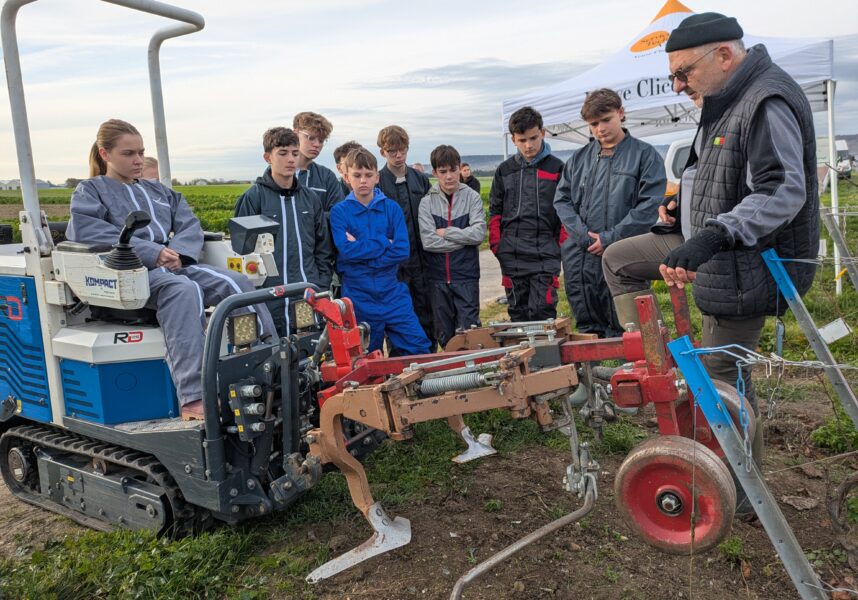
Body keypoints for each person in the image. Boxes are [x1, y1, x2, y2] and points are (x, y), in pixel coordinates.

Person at [601, 13, 819, 515]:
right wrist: (681, 208)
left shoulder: (766, 99)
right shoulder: (722, 102)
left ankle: (746, 497)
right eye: (674, 75)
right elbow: (708, 171)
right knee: (619, 260)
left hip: (747, 265)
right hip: (705, 245)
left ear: (723, 55)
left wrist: (715, 234)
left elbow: (782, 189)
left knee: (723, 382)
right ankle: (648, 359)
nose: (677, 85)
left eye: (682, 73)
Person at [67, 119, 276, 420]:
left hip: (174, 266)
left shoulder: (158, 191)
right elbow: (89, 231)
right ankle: (194, 397)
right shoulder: (91, 191)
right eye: (128, 153)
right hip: (127, 274)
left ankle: (267, 365)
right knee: (183, 290)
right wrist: (153, 252)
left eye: (141, 152)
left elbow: (189, 224)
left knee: (236, 283)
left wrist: (179, 253)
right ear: (105, 154)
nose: (138, 160)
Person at [554, 88, 665, 338]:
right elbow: (561, 200)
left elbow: (648, 206)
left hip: (622, 250)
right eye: (594, 123)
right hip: (581, 253)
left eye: (606, 119)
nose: (600, 128)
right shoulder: (578, 159)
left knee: (630, 322)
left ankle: (631, 366)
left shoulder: (644, 156)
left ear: (621, 113)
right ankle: (593, 372)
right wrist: (583, 237)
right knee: (587, 323)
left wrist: (610, 238)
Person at [330, 147, 431, 355]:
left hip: (392, 291)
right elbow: (346, 252)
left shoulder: (391, 208)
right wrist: (384, 241)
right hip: (358, 296)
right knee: (363, 358)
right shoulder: (339, 212)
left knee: (418, 349)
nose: (363, 181)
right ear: (347, 177)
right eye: (357, 176)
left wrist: (363, 252)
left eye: (368, 175)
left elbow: (402, 250)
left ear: (377, 177)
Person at [234, 127, 334, 336]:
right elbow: (243, 256)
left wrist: (319, 284)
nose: (290, 159)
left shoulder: (310, 199)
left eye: (295, 153)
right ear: (267, 157)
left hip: (306, 295)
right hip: (269, 300)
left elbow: (323, 248)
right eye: (282, 153)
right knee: (273, 357)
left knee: (308, 355)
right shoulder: (253, 198)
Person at [489, 106, 565, 321]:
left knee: (543, 311)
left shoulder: (557, 168)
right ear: (513, 140)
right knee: (518, 315)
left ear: (543, 132)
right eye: (522, 140)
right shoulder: (504, 170)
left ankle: (546, 356)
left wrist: (560, 247)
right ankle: (520, 356)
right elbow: (495, 212)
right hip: (512, 255)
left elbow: (566, 211)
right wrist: (497, 245)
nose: (529, 145)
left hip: (546, 254)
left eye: (533, 138)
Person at [418, 145, 486, 348]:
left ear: (459, 168)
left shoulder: (472, 197)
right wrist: (462, 240)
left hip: (466, 276)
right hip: (437, 279)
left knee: (470, 334)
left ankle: (474, 378)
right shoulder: (426, 203)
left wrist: (447, 232)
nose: (449, 176)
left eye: (453, 169)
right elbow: (429, 242)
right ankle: (453, 379)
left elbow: (478, 234)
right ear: (435, 173)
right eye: (443, 171)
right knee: (445, 337)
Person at [376, 125, 435, 351]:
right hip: (395, 266)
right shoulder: (378, 183)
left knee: (427, 313)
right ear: (383, 152)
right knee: (398, 319)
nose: (398, 156)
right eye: (392, 151)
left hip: (424, 261)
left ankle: (430, 362)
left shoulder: (420, 180)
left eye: (402, 150)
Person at [292, 111, 345, 217]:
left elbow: (339, 215)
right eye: (311, 138)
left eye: (321, 141)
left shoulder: (327, 177)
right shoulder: (275, 175)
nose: (317, 144)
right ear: (295, 134)